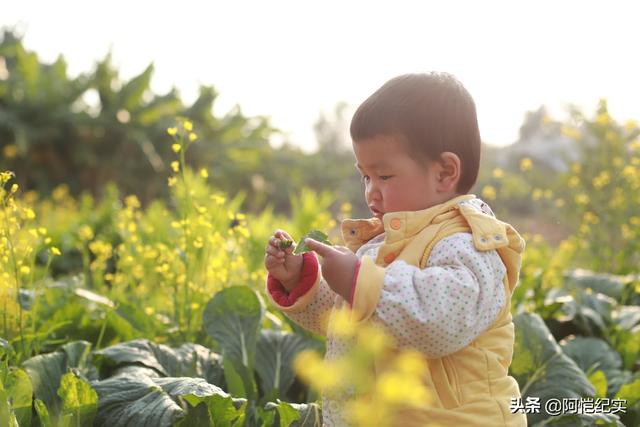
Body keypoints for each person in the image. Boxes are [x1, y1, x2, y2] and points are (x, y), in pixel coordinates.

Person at [264, 72, 527, 426]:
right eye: (365, 176)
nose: (371, 191)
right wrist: (304, 283)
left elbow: (437, 322)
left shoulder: (470, 243)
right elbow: (354, 323)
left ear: (445, 173)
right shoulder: (378, 246)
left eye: (384, 176)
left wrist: (359, 282)